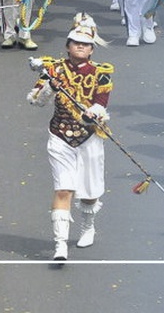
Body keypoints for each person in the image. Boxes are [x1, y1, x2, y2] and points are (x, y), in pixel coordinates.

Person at [27, 17, 113, 260]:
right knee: (63, 188)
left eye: (85, 44)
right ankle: (60, 245)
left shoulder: (102, 73)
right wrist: (50, 88)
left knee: (89, 192)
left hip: (89, 137)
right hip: (59, 135)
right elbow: (35, 100)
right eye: (76, 43)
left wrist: (92, 114)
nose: (80, 47)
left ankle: (87, 227)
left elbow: (101, 103)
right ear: (67, 45)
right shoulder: (52, 69)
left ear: (92, 49)